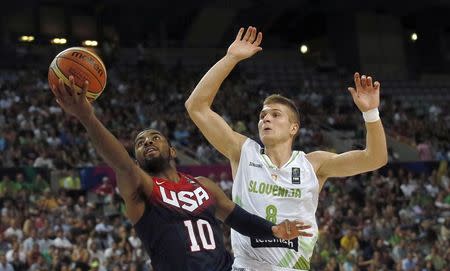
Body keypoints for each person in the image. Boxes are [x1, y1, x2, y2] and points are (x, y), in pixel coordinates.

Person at [50, 75, 311, 271]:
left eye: (154, 138)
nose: (148, 143)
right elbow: (121, 164)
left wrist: (274, 230)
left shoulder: (203, 186)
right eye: (140, 143)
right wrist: (87, 117)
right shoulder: (143, 188)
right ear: (137, 158)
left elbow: (239, 218)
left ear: (172, 151)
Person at [185, 26, 388, 270]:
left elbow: (375, 158)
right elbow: (196, 106)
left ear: (293, 128)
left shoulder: (314, 164)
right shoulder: (243, 151)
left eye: (275, 114)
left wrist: (371, 113)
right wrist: (231, 58)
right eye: (262, 115)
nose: (265, 119)